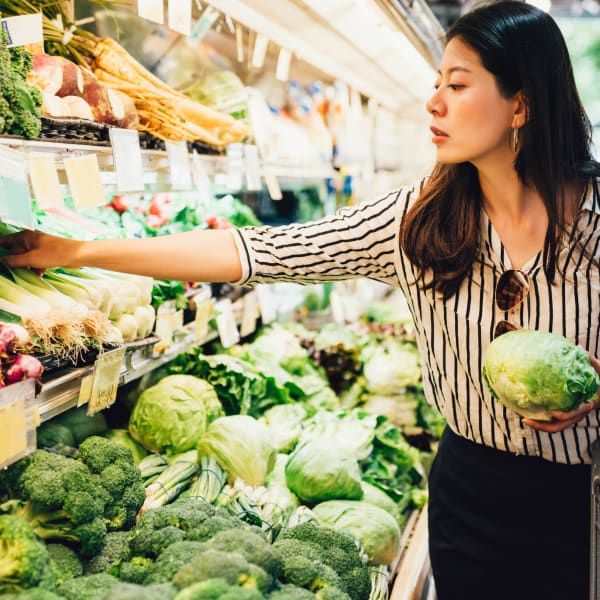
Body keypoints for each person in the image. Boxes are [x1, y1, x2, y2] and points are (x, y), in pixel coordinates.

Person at [2, 1, 599, 598]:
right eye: (436, 83)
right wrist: (76, 251)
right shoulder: (418, 224)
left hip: (586, 493)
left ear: (520, 104)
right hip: (470, 490)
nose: (434, 101)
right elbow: (255, 251)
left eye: (458, 84)